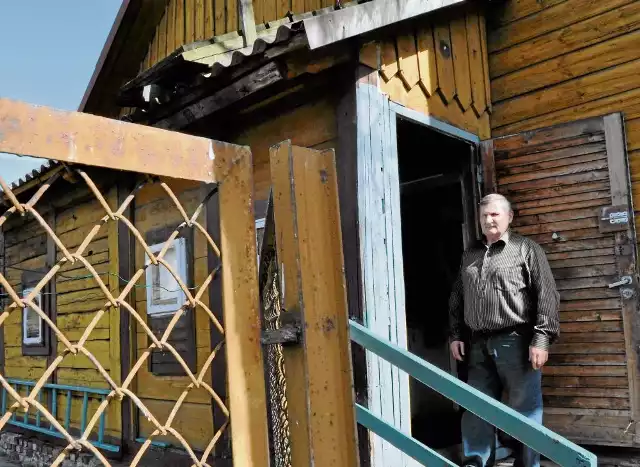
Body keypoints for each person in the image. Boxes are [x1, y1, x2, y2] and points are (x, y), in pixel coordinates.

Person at [448, 193, 560, 467]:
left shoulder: (526, 249)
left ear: (509, 217)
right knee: (476, 406)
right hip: (477, 344)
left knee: (525, 409)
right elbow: (457, 297)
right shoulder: (470, 254)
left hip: (517, 342)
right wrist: (456, 334)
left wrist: (542, 338)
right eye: (484, 215)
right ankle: (477, 460)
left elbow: (547, 294)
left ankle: (527, 463)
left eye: (495, 214)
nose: (489, 219)